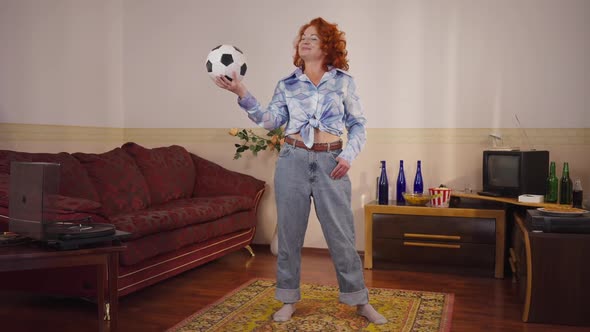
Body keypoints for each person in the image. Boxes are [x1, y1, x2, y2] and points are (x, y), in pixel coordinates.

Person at [214, 17, 387, 325]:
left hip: (331, 162)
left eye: (313, 38)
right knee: (290, 235)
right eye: (303, 37)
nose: (305, 41)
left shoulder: (343, 82)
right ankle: (287, 299)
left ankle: (359, 301)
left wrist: (347, 155)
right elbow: (269, 121)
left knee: (342, 236)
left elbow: (358, 125)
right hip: (292, 160)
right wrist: (242, 91)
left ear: (327, 46)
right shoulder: (287, 84)